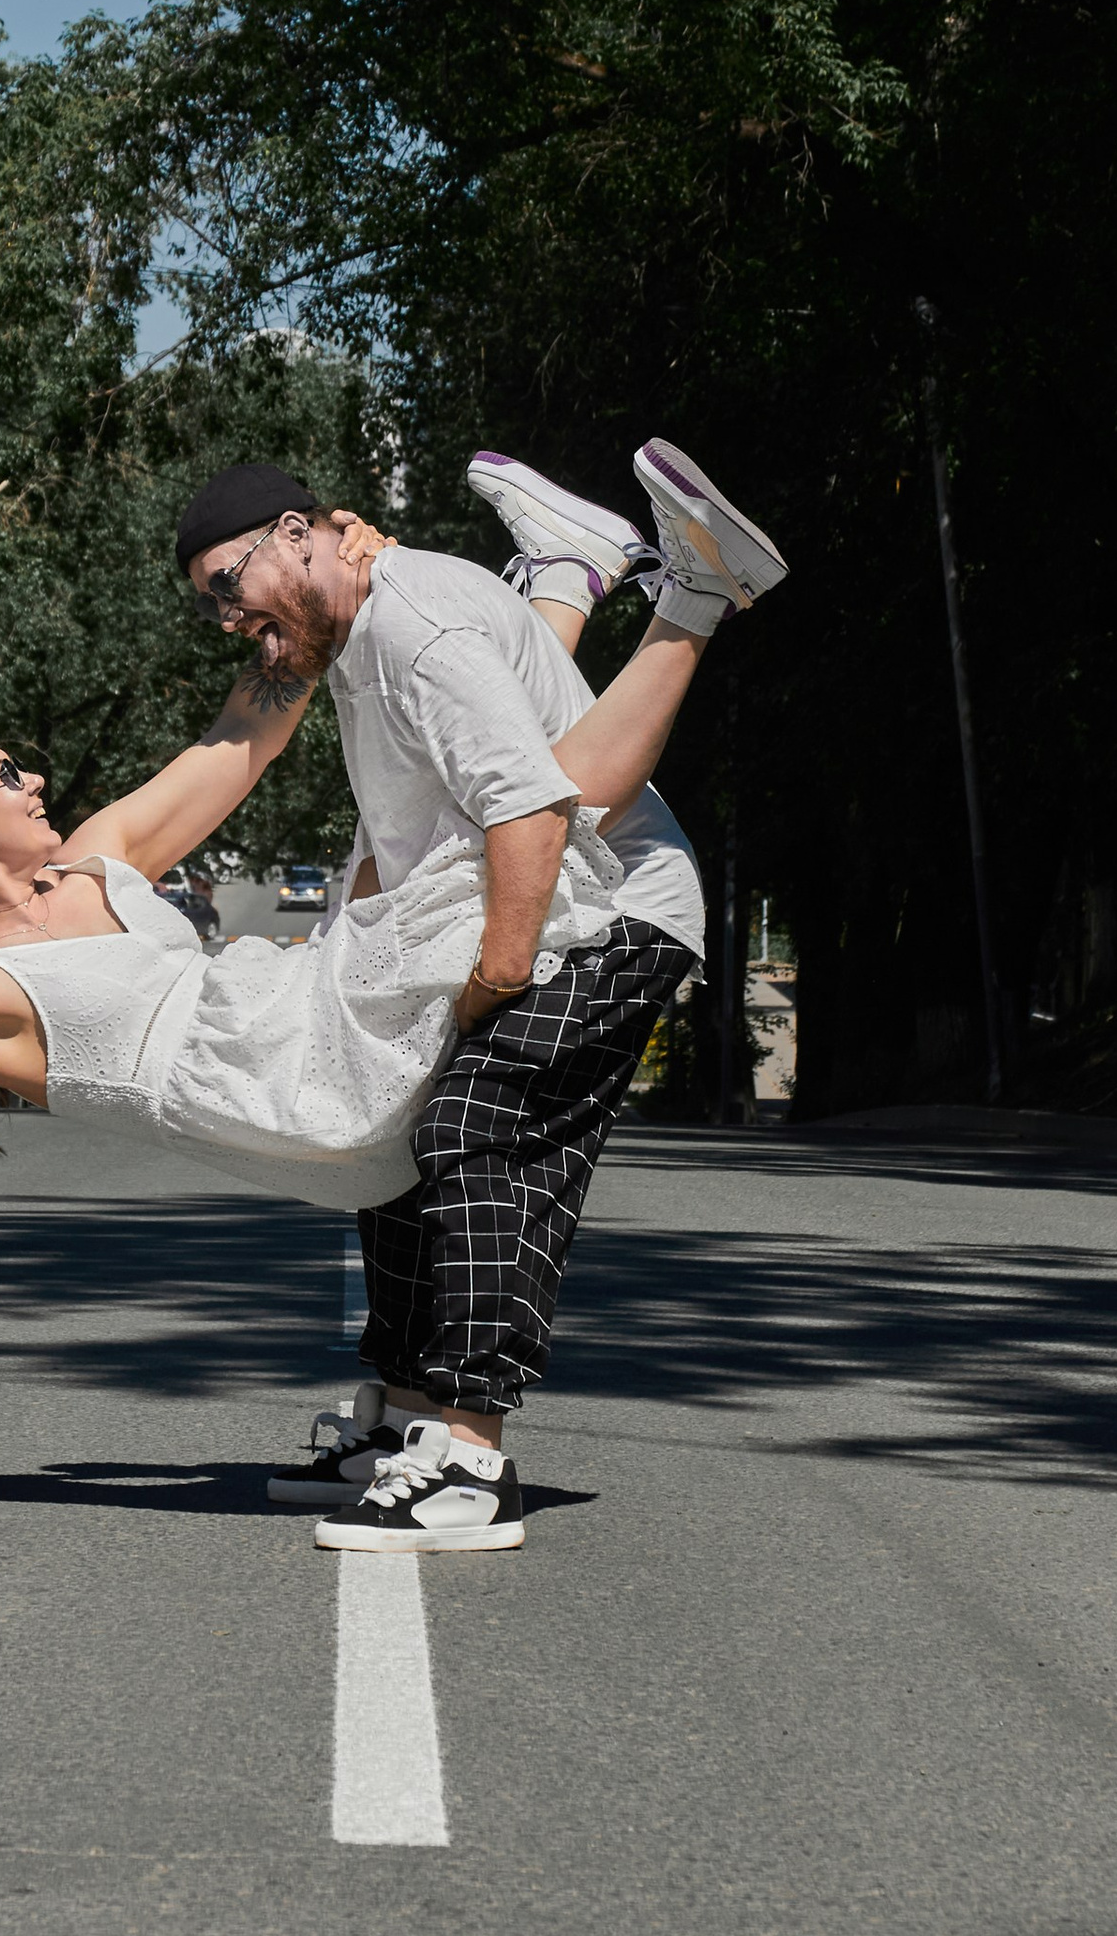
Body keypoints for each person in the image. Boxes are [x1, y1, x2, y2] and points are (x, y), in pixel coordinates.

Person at [0, 440, 784, 1550]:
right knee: (501, 821)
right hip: (284, 1081)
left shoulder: (101, 854)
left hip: (310, 1000)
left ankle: (566, 580)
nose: (33, 778)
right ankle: (620, 592)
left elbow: (256, 718)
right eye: (4, 775)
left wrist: (345, 561)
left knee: (461, 787)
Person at [172, 439, 782, 1551]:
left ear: (300, 537)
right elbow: (403, 823)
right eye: (211, 606)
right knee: (397, 1131)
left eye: (228, 587)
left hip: (609, 914)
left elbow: (531, 810)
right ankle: (406, 1423)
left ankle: (469, 1456)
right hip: (541, 908)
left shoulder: (415, 627)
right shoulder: (357, 631)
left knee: (473, 1123)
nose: (226, 620)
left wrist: (493, 983)